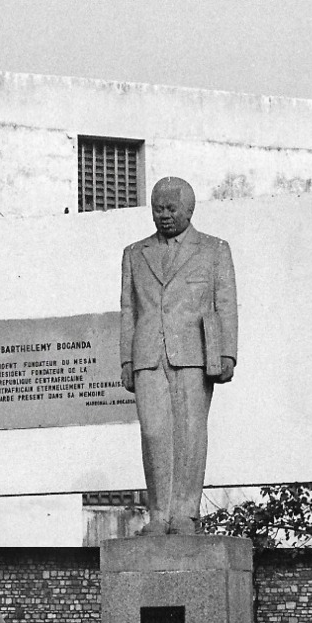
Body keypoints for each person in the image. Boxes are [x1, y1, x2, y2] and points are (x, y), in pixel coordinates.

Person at [119, 177, 238, 535]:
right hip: (147, 355)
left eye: (171, 209)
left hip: (194, 354)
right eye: (158, 209)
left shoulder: (214, 249)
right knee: (154, 434)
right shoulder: (134, 253)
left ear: (189, 210)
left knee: (190, 432)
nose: (165, 215)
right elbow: (128, 310)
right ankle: (159, 513)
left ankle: (185, 512)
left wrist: (228, 352)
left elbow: (227, 304)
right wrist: (126, 360)